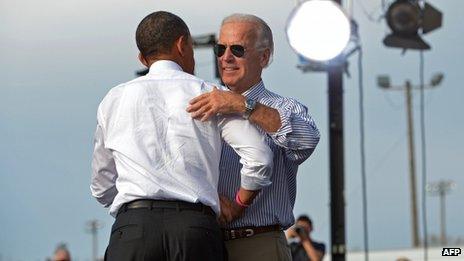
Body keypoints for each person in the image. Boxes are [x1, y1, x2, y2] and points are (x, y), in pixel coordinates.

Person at [91, 11, 274, 261]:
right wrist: (238, 205)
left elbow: (101, 183)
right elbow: (260, 157)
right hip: (195, 229)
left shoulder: (114, 99)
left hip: (133, 229)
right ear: (181, 45)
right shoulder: (210, 94)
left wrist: (134, 212)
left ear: (142, 58)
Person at [187, 13, 320, 261]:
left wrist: (243, 105)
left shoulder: (285, 107)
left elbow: (307, 140)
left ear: (264, 57)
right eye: (220, 48)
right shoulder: (202, 104)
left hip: (259, 244)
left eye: (237, 49)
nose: (226, 57)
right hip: (206, 244)